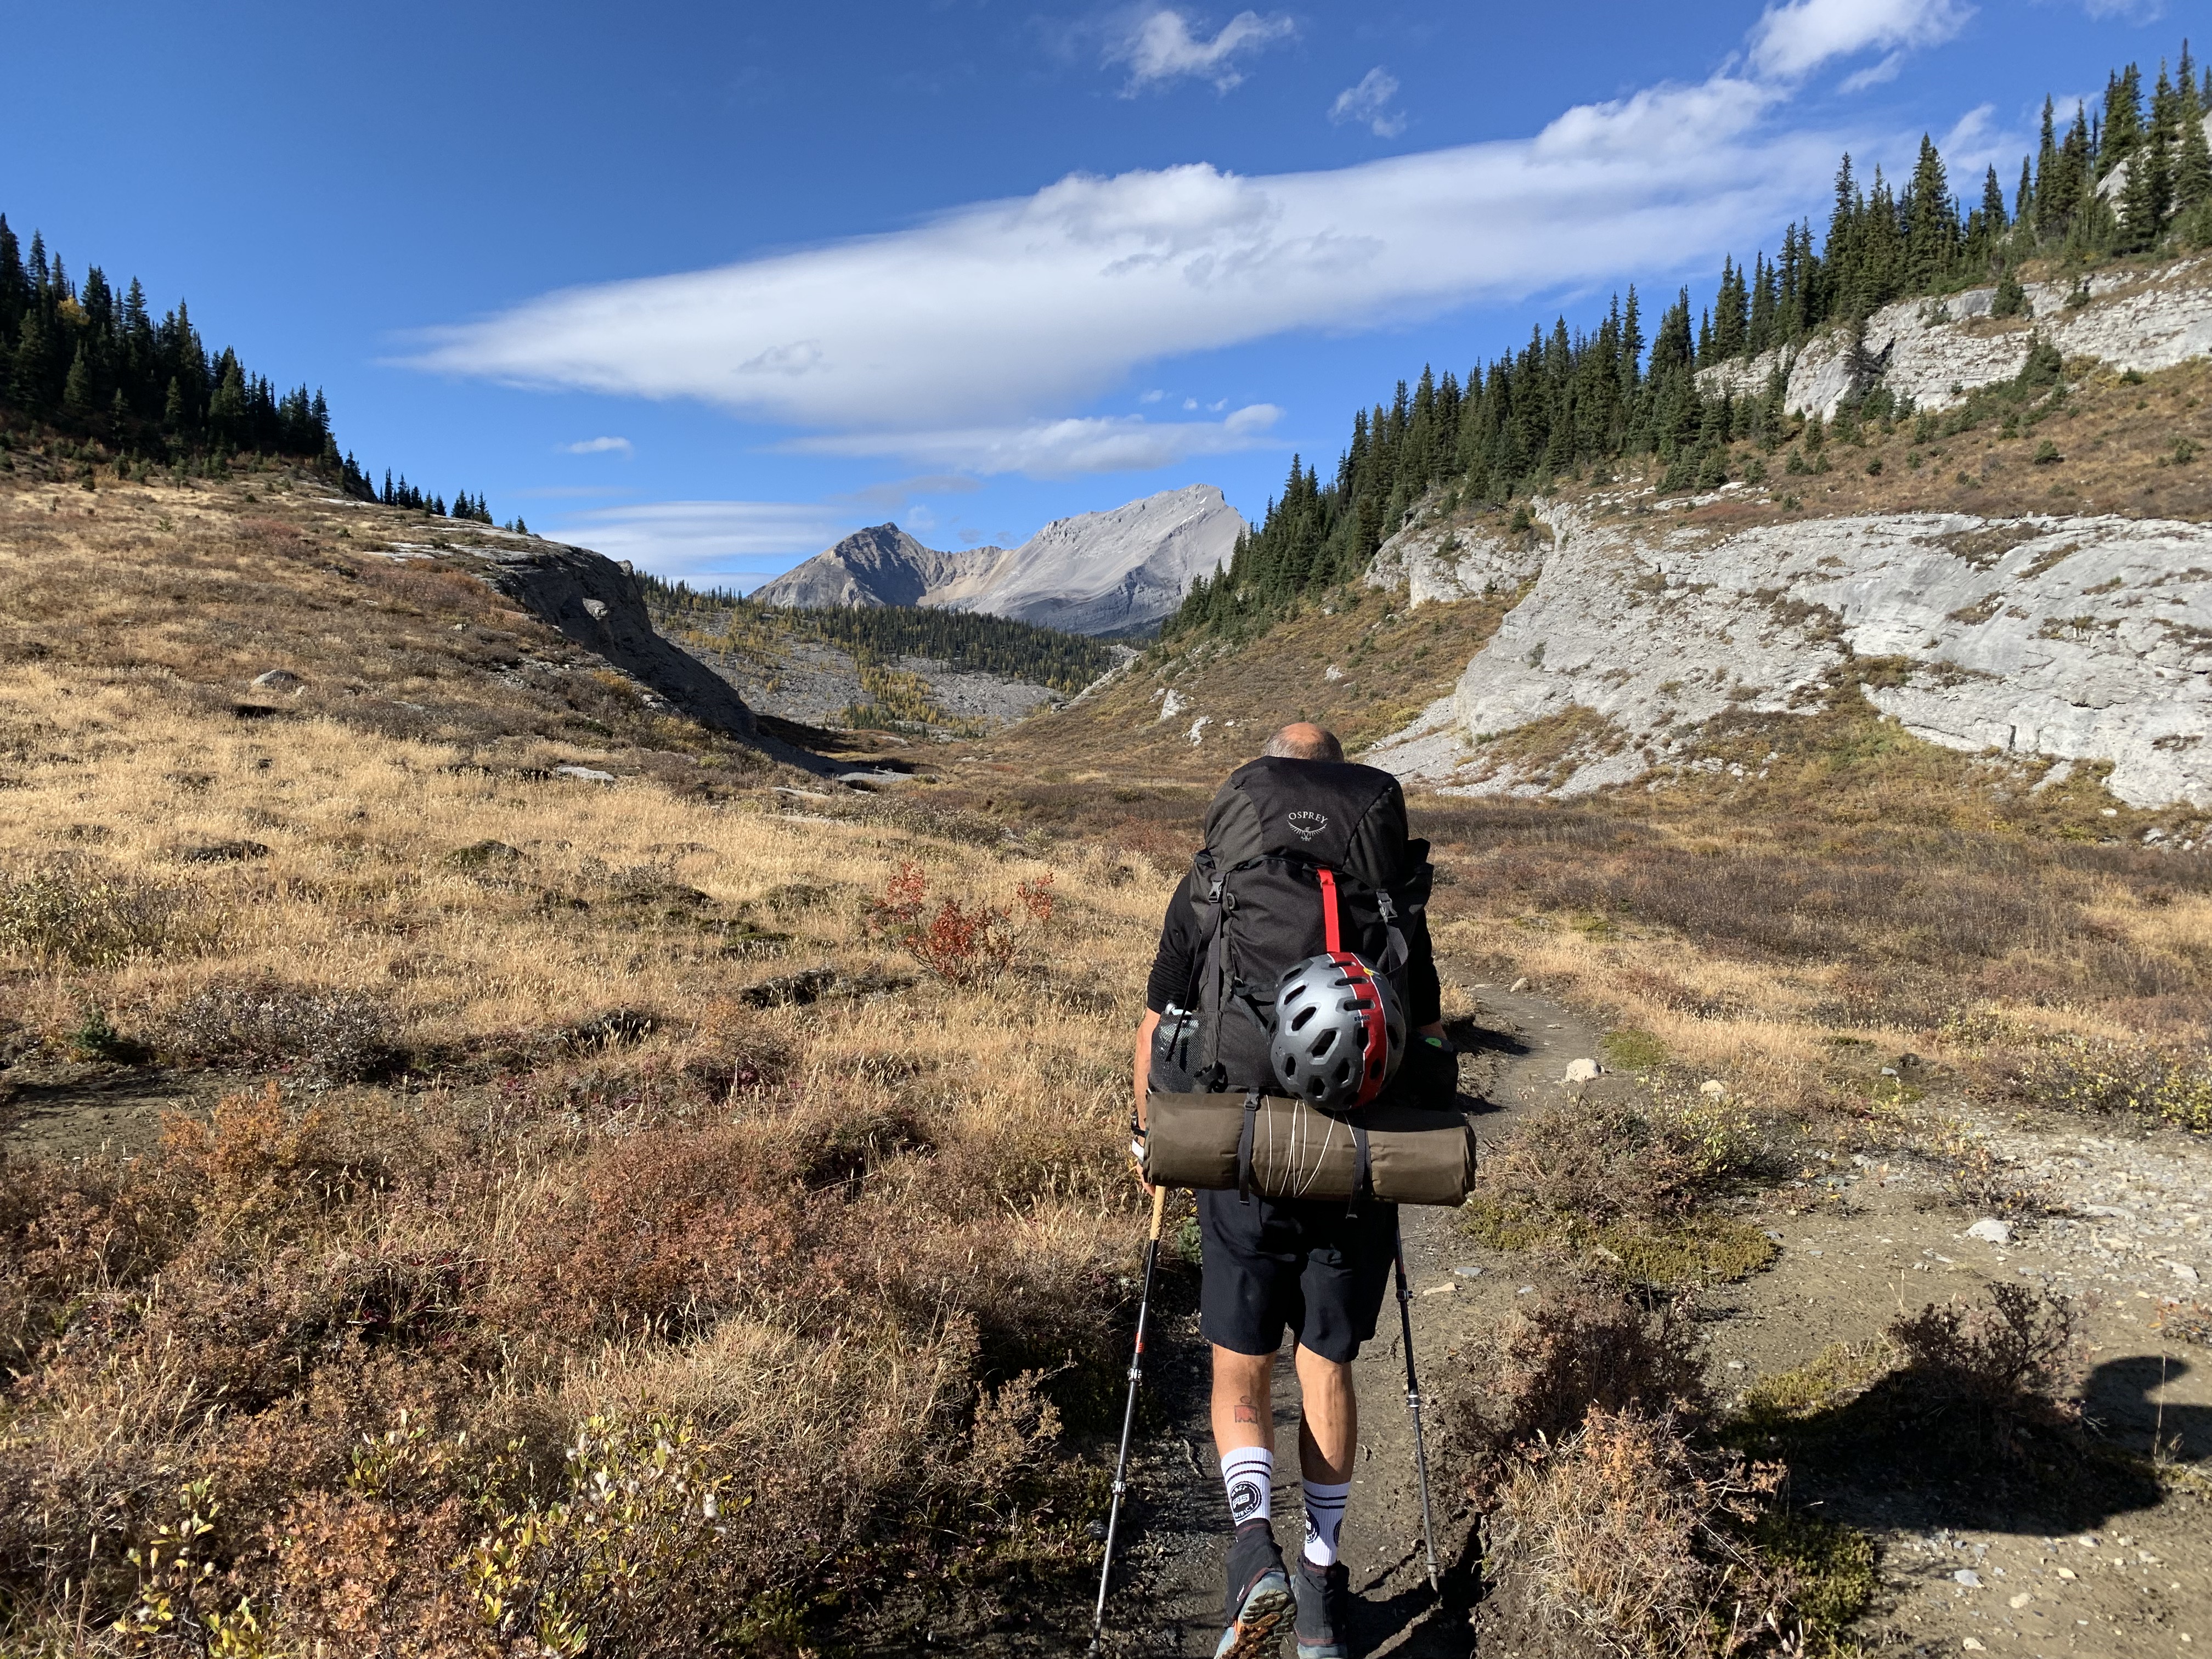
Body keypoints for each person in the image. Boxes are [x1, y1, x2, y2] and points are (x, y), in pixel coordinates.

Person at [1132, 723, 1451, 1659]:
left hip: (1238, 1146)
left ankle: (1250, 1553)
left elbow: (1160, 1019)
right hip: (1355, 1157)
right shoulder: (1384, 885)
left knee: (1240, 1361)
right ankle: (1317, 1583)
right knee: (1326, 1362)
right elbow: (1422, 1025)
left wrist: (1148, 1130)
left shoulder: (1215, 875)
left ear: (1265, 777)